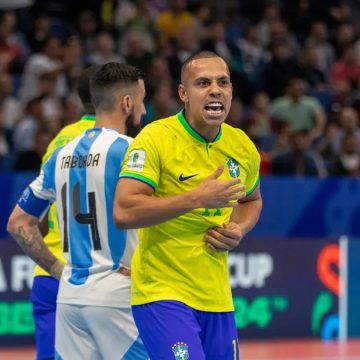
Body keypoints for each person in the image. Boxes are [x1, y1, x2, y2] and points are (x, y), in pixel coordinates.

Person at [114, 51, 263, 359]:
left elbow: (252, 199)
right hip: (162, 293)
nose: (215, 90)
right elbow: (124, 211)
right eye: (203, 83)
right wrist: (196, 198)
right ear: (184, 93)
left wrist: (239, 228)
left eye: (223, 82)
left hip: (217, 297)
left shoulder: (242, 146)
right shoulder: (155, 138)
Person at [7, 62, 148, 360]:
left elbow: (18, 223)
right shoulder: (131, 151)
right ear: (127, 102)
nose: (144, 109)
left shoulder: (60, 153)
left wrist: (59, 270)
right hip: (117, 296)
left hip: (70, 298)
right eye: (141, 100)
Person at [29, 65, 99, 360]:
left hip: (47, 271)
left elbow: (38, 215)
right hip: (92, 275)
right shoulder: (117, 142)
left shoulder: (58, 141)